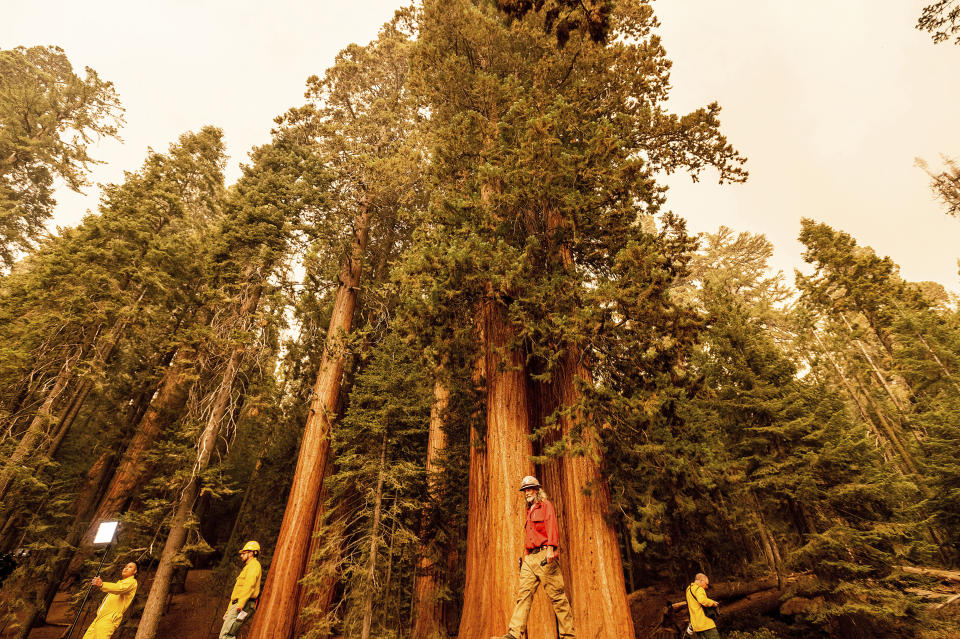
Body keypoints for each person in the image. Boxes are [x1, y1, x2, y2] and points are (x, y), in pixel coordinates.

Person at [500, 475, 576, 639]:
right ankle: (514, 633)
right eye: (525, 490)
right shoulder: (529, 510)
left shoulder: (545, 505)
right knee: (523, 595)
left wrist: (551, 549)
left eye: (529, 489)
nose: (527, 492)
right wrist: (526, 555)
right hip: (530, 558)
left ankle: (568, 636)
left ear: (537, 489)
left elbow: (552, 526)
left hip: (545, 556)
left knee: (558, 598)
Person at [81, 561, 138, 639]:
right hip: (99, 618)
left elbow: (119, 589)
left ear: (135, 571)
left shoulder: (132, 582)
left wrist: (102, 584)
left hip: (109, 618)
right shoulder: (119, 583)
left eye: (130, 567)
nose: (126, 568)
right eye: (126, 566)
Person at [219, 540, 262, 639]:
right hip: (241, 605)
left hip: (244, 604)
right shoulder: (248, 567)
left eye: (244, 553)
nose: (241, 555)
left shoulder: (254, 565)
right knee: (231, 635)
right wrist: (227, 612)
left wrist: (241, 604)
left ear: (251, 553)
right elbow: (236, 594)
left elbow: (249, 585)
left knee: (225, 636)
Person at [686, 572, 720, 639]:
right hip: (705, 623)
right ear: (701, 581)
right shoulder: (699, 589)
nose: (706, 587)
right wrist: (713, 603)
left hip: (696, 625)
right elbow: (702, 600)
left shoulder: (688, 590)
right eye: (706, 584)